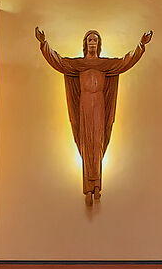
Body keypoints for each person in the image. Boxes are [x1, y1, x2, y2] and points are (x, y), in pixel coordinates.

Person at [35, 27, 151, 202]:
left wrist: (141, 45)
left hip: (99, 104)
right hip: (84, 104)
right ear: (85, 44)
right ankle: (89, 187)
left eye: (95, 40)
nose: (92, 43)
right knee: (85, 142)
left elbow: (126, 62)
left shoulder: (105, 65)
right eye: (89, 40)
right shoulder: (78, 65)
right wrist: (44, 44)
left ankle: (96, 185)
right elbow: (57, 61)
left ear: (99, 44)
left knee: (97, 142)